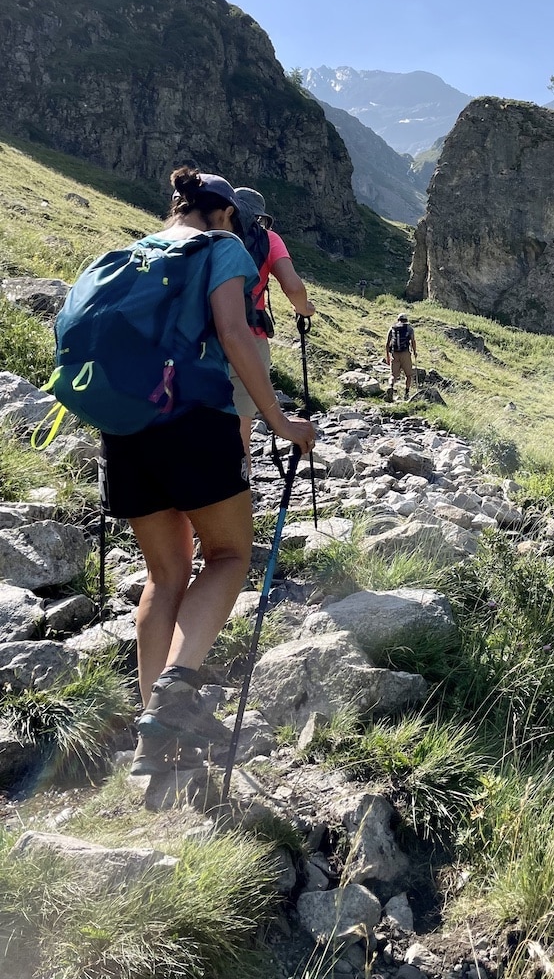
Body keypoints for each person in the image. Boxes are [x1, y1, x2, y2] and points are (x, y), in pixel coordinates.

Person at [99, 168, 316, 776]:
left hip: (126, 428)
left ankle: (154, 737)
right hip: (194, 421)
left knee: (164, 575)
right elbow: (232, 330)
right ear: (224, 214)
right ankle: (176, 690)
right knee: (226, 556)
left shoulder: (134, 252)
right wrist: (277, 419)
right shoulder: (220, 247)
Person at [228, 187, 316, 475]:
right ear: (260, 217)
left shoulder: (211, 235)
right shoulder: (268, 238)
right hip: (250, 339)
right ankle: (237, 497)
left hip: (203, 336)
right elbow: (292, 286)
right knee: (239, 430)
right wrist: (305, 310)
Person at [385, 312, 418, 400]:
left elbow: (387, 343)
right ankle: (406, 393)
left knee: (393, 375)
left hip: (394, 353)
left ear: (398, 320)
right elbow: (413, 341)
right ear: (406, 320)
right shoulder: (409, 328)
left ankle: (390, 387)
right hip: (405, 354)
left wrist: (387, 356)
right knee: (408, 375)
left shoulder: (392, 328)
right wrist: (415, 352)